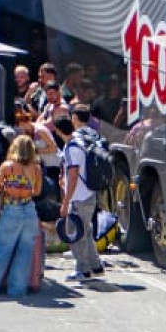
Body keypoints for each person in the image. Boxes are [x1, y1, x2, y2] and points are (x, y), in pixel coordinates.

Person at [0, 134, 43, 298]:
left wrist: (7, 187)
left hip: (12, 208)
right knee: (24, 252)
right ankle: (17, 290)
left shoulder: (8, 166)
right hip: (29, 210)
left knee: (2, 251)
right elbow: (37, 191)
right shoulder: (36, 168)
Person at [56, 108, 106, 283]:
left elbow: (74, 174)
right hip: (89, 194)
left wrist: (65, 201)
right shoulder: (79, 141)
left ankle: (83, 270)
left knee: (76, 234)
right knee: (86, 232)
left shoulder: (71, 148)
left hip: (79, 198)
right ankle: (96, 266)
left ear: (58, 131)